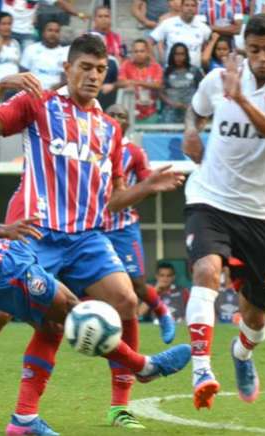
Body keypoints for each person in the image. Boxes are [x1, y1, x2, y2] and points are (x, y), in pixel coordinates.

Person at [0, 34, 187, 431]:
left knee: (126, 301)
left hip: (85, 238)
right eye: (85, 67)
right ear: (67, 68)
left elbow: (110, 202)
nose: (94, 76)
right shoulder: (38, 104)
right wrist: (0, 88)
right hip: (34, 233)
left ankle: (120, 405)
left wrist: (145, 188)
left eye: (100, 70)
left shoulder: (111, 129)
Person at [182, 14, 265, 409]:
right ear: (244, 49)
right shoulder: (217, 80)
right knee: (206, 270)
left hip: (258, 213)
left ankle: (242, 354)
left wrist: (239, 100)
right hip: (209, 198)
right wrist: (190, 131)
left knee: (256, 320)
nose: (262, 58)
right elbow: (195, 109)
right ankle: (201, 368)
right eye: (254, 50)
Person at [104, 104, 177, 341]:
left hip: (123, 227)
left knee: (137, 283)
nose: (116, 118)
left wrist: (150, 185)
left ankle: (162, 313)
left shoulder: (134, 153)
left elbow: (150, 186)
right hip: (93, 228)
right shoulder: (90, 147)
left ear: (128, 124)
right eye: (112, 114)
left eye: (122, 115)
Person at [150, 0, 212, 69]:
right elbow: (149, 41)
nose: (190, 8)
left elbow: (211, 45)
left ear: (196, 8)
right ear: (181, 7)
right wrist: (153, 63)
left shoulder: (203, 28)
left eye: (193, 6)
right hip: (171, 71)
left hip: (195, 73)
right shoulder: (168, 23)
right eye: (187, 5)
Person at [0, 0, 85, 49]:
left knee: (28, 61)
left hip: (27, 32)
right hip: (7, 31)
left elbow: (59, 3)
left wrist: (78, 14)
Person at [118, 39, 164, 123]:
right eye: (136, 51)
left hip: (151, 112)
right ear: (132, 53)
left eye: (142, 51)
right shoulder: (126, 65)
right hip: (131, 113)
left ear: (147, 53)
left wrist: (137, 82)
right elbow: (121, 82)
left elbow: (158, 85)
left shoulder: (155, 67)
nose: (138, 54)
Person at [160, 43, 204, 123]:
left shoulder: (194, 71)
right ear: (172, 55)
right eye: (176, 54)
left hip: (190, 113)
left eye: (182, 54)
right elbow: (160, 92)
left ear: (186, 55)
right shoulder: (166, 72)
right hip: (170, 114)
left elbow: (202, 91)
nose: (179, 57)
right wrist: (172, 103)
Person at [19, 20, 68, 90]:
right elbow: (22, 75)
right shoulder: (31, 49)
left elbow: (65, 80)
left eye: (56, 31)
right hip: (31, 92)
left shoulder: (65, 53)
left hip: (54, 94)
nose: (53, 34)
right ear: (43, 32)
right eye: (50, 30)